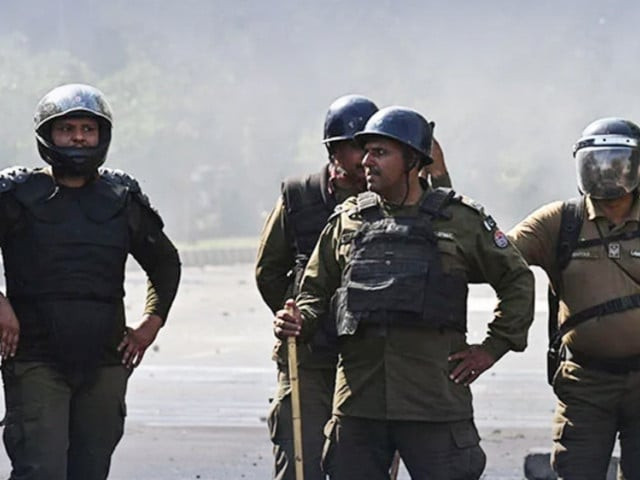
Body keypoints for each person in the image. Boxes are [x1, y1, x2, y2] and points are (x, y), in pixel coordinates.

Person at [273, 106, 535, 480]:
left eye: (380, 153)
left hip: (433, 404)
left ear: (412, 160)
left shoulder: (460, 220)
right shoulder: (348, 220)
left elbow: (517, 280)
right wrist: (300, 319)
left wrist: (492, 347)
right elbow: (314, 290)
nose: (366, 162)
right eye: (366, 152)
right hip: (359, 404)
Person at [0, 83, 181, 480]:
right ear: (47, 135)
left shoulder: (121, 199)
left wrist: (151, 324)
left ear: (103, 135)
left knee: (91, 471)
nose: (79, 138)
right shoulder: (15, 195)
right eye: (67, 129)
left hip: (105, 361)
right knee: (41, 470)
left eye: (88, 129)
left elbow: (165, 263)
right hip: (35, 358)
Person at [508, 118, 640, 479]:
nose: (606, 172)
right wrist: (440, 191)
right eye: (597, 162)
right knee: (577, 471)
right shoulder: (561, 221)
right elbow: (493, 258)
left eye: (617, 162)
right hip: (586, 383)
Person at [256, 94, 378, 479]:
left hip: (368, 357)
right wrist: (299, 317)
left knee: (360, 463)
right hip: (307, 357)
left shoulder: (390, 199)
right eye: (354, 147)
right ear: (333, 151)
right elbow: (268, 271)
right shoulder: (300, 196)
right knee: (301, 459)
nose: (364, 158)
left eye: (372, 147)